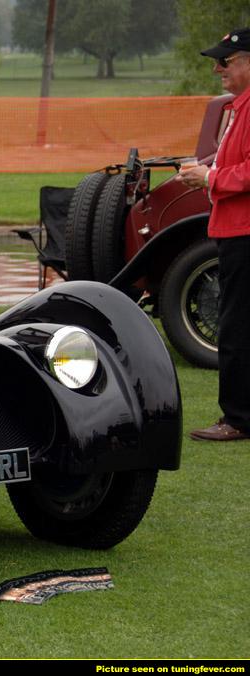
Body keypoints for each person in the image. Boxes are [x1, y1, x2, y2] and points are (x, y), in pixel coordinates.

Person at [180, 28, 250, 442]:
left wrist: (209, 177)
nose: (216, 68)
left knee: (236, 326)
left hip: (243, 231)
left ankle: (238, 419)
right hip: (234, 228)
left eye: (226, 60)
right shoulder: (239, 107)